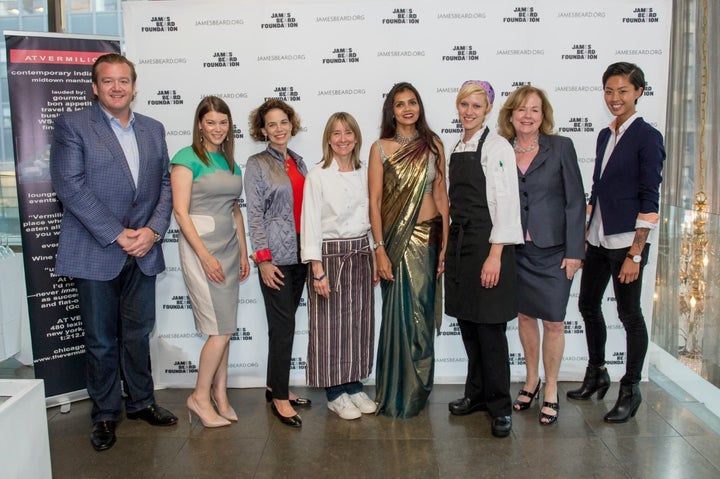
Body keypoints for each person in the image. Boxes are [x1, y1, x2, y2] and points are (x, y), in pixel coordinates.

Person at [50, 53, 176, 452]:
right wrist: (118, 234)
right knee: (102, 340)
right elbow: (70, 187)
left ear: (134, 86)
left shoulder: (154, 130)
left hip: (143, 249)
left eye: (124, 80)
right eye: (108, 81)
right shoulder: (73, 125)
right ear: (95, 87)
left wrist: (153, 231)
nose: (117, 87)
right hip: (95, 249)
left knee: (137, 334)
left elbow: (165, 186)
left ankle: (141, 402)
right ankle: (105, 413)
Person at [568, 62, 665, 423]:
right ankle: (597, 373)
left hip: (627, 243)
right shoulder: (605, 135)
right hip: (598, 238)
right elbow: (599, 187)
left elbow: (649, 198)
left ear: (639, 91)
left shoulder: (648, 137)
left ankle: (631, 388)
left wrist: (635, 254)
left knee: (630, 315)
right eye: (609, 90)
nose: (615, 98)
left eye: (623, 90)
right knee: (588, 306)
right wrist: (585, 229)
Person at [497, 85, 586, 425]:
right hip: (516, 250)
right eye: (521, 109)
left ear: (543, 115)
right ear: (510, 114)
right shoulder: (501, 148)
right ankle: (531, 379)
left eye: (534, 110)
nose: (527, 116)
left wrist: (575, 250)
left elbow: (576, 200)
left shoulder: (561, 146)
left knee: (554, 321)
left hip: (554, 252)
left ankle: (551, 388)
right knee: (523, 318)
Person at [444, 80, 523, 438]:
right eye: (464, 105)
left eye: (476, 105)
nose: (469, 111)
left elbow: (506, 204)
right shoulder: (457, 145)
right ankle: (475, 395)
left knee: (490, 331)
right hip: (462, 246)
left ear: (487, 108)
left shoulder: (497, 146)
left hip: (489, 247)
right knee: (469, 327)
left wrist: (495, 255)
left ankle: (499, 406)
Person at [369, 82, 449, 419]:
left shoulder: (433, 145)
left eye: (412, 102)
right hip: (396, 243)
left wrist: (446, 245)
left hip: (429, 239)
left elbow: (442, 196)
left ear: (419, 107)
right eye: (399, 104)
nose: (406, 109)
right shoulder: (380, 148)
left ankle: (418, 391)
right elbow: (373, 202)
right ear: (391, 110)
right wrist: (380, 250)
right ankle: (395, 393)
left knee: (421, 317)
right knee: (399, 318)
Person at [170, 96, 250, 428]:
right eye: (211, 122)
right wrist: (204, 256)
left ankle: (220, 395)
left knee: (225, 327)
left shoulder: (231, 162)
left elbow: (234, 209)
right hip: (201, 247)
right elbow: (180, 211)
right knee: (218, 330)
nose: (218, 129)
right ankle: (199, 398)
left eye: (223, 122)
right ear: (200, 124)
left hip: (230, 248)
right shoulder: (186, 158)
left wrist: (244, 252)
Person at [300, 112, 377, 420]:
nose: (343, 138)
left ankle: (354, 384)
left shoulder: (365, 171)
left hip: (360, 252)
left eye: (348, 133)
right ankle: (334, 392)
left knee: (358, 324)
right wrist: (317, 270)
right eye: (336, 133)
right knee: (330, 327)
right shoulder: (318, 175)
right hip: (330, 257)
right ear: (328, 139)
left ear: (356, 137)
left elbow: (371, 216)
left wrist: (372, 255)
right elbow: (310, 224)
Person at [245, 98, 311, 428]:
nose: (279, 128)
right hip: (276, 259)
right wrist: (263, 260)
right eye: (272, 124)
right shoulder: (257, 164)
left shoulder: (298, 161)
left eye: (283, 121)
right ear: (262, 130)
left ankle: (274, 386)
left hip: (300, 255)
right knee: (284, 328)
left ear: (291, 124)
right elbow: (254, 216)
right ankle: (281, 400)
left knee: (281, 327)